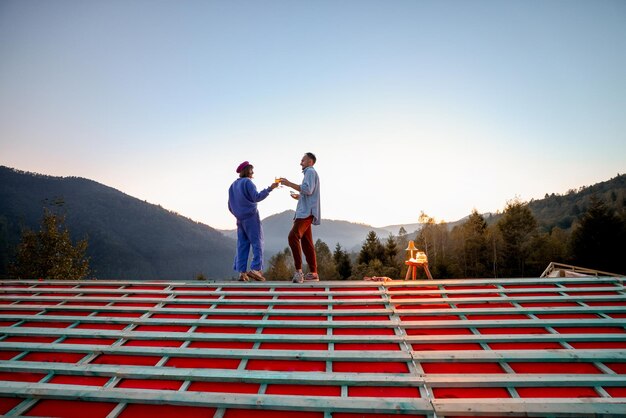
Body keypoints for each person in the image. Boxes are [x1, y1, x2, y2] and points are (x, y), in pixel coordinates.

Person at [228, 161, 278, 282]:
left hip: (240, 220)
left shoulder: (233, 185)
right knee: (257, 242)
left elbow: (230, 205)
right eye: (252, 170)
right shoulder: (248, 183)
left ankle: (242, 273)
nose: (253, 172)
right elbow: (257, 197)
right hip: (251, 217)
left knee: (242, 245)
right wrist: (270, 188)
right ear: (247, 171)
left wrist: (238, 214)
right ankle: (256, 269)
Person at [280, 152, 320, 283]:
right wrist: (299, 196)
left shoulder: (310, 172)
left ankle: (299, 272)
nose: (300, 163)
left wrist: (288, 183)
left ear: (310, 162)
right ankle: (314, 273)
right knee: (306, 242)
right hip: (306, 211)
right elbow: (308, 192)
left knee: (293, 236)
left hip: (305, 212)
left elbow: (307, 189)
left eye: (303, 160)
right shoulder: (310, 173)